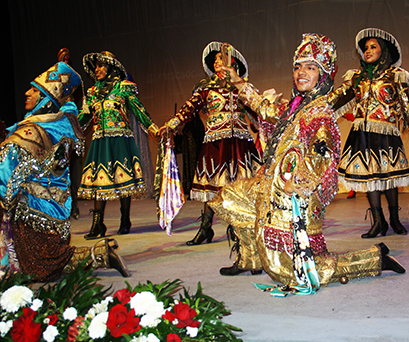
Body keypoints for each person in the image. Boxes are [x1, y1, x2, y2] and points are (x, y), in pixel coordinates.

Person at [209, 33, 405, 293]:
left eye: (310, 67)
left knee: (294, 271)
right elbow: (265, 109)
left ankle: (373, 259)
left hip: (294, 198)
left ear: (322, 75)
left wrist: (297, 184)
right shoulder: (295, 105)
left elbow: (322, 155)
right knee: (228, 198)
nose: (301, 72)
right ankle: (250, 258)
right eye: (298, 66)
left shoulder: (319, 111)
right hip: (270, 185)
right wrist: (238, 82)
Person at [0, 62, 129, 281]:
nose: (26, 93)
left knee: (37, 265)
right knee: (41, 264)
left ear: (45, 99)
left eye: (33, 90)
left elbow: (6, 176)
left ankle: (98, 254)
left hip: (30, 219)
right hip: (53, 219)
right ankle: (97, 254)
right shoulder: (56, 127)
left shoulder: (31, 131)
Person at [160, 42, 261, 245]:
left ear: (233, 63)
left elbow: (257, 112)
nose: (217, 62)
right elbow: (188, 109)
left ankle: (238, 227)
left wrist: (262, 124)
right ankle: (205, 228)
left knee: (239, 187)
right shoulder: (205, 89)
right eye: (215, 60)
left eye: (221, 59)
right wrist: (171, 125)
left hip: (240, 144)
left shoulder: (242, 88)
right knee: (211, 188)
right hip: (215, 143)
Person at [334, 28, 409, 238]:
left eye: (373, 47)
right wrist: (317, 108)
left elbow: (406, 104)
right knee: (370, 179)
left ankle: (394, 219)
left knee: (389, 178)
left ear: (383, 51)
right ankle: (378, 222)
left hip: (386, 133)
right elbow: (338, 98)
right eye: (365, 48)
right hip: (362, 133)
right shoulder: (357, 77)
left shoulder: (395, 76)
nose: (368, 51)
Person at [78, 51, 159, 238]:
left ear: (111, 68)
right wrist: (67, 128)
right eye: (95, 66)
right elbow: (84, 118)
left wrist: (153, 128)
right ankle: (98, 224)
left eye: (101, 66)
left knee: (122, 180)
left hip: (121, 139)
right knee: (99, 181)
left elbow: (139, 110)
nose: (97, 70)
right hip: (100, 141)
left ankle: (124, 220)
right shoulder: (91, 93)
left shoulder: (124, 88)